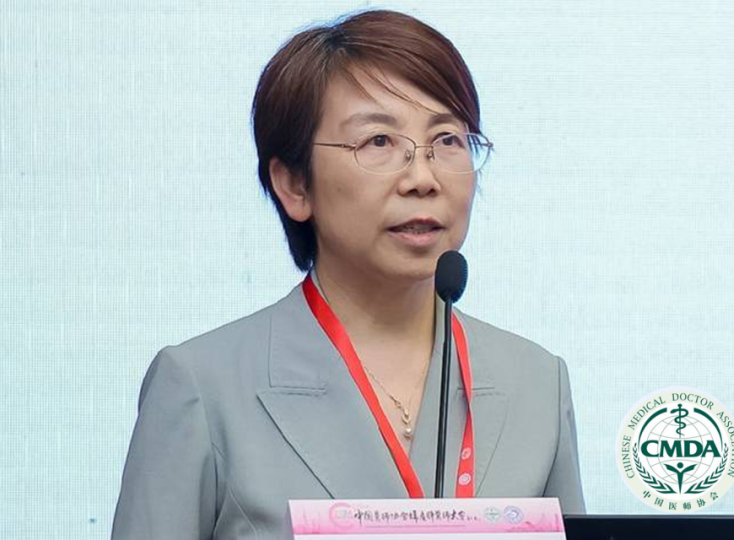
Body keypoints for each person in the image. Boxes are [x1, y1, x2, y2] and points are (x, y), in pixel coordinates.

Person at [112, 9, 584, 539]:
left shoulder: (536, 383)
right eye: (378, 142)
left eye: (448, 140)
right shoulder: (203, 386)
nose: (422, 177)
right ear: (295, 184)